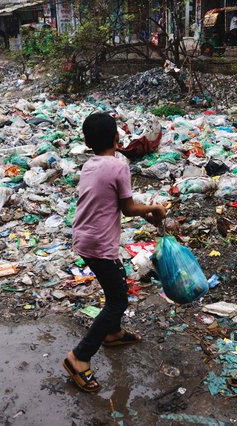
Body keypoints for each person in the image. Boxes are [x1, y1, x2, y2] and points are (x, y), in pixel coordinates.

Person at [63, 113, 167, 393]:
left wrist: (144, 212)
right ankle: (79, 358)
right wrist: (154, 210)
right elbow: (128, 208)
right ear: (117, 138)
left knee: (117, 284)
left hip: (86, 238)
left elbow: (114, 202)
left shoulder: (90, 165)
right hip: (99, 243)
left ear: (87, 143)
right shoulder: (119, 166)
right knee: (117, 300)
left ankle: (112, 333)